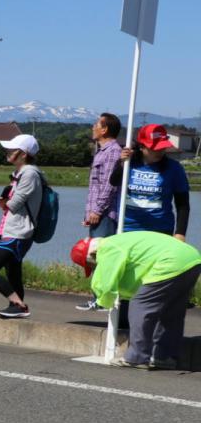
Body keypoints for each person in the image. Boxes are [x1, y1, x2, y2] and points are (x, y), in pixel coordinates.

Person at [72, 233, 200, 370]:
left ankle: (137, 357)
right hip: (192, 259)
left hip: (171, 262)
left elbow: (106, 284)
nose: (93, 269)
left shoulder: (107, 249)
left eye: (90, 266)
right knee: (171, 312)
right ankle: (164, 357)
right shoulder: (118, 241)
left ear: (91, 257)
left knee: (140, 305)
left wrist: (104, 301)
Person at [0, 133, 44, 319]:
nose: (7, 152)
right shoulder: (20, 173)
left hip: (19, 232)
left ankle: (19, 304)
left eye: (12, 150)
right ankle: (15, 307)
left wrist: (4, 200)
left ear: (23, 154)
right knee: (13, 271)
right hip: (13, 230)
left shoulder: (30, 174)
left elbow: (12, 204)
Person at [77, 112, 124, 311]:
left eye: (96, 124)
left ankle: (102, 300)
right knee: (95, 255)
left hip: (105, 213)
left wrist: (97, 210)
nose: (93, 128)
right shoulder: (101, 150)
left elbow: (109, 185)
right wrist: (89, 213)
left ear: (104, 129)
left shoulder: (112, 151)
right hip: (97, 213)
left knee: (101, 255)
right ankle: (98, 298)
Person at [111, 124, 190, 240]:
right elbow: (113, 182)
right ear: (141, 146)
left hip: (161, 230)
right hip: (127, 229)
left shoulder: (174, 168)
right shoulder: (128, 163)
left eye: (162, 148)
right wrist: (122, 163)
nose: (159, 152)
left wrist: (180, 233)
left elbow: (183, 204)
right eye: (154, 148)